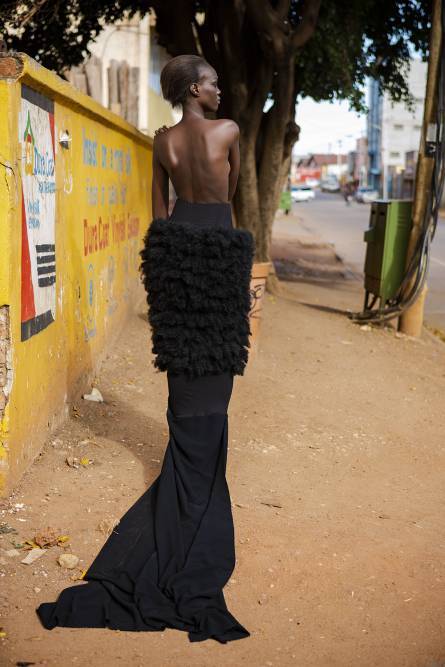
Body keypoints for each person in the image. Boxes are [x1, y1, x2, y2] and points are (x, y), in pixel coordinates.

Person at [36, 54, 254, 644]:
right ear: (194, 89)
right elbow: (227, 196)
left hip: (177, 263)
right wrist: (232, 270)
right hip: (218, 257)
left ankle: (191, 475)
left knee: (184, 385)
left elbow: (159, 214)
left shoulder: (161, 143)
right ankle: (201, 497)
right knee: (218, 378)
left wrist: (170, 270)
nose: (219, 91)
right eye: (212, 83)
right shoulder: (229, 133)